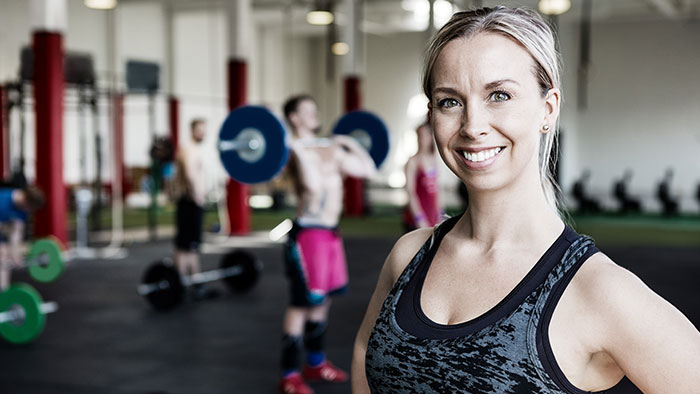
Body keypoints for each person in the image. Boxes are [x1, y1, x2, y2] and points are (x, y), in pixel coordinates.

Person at [352, 7, 700, 393]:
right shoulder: (408, 257)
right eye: (450, 101)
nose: (473, 126)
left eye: (499, 95)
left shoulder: (597, 290)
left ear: (547, 109)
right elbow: (365, 351)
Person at [278, 94, 377, 394]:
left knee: (323, 302)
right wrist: (307, 151)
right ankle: (289, 375)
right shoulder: (295, 149)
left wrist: (349, 143)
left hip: (331, 234)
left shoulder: (328, 148)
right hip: (308, 235)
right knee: (302, 304)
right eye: (307, 110)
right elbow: (311, 185)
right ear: (294, 118)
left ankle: (315, 363)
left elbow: (368, 170)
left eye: (314, 108)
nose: (314, 113)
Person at [172, 118, 217, 300]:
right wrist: (198, 196)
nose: (203, 133)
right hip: (190, 202)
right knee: (187, 246)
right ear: (192, 130)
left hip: (189, 202)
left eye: (204, 130)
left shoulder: (190, 149)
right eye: (200, 130)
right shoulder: (189, 150)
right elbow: (190, 175)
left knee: (189, 246)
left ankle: (191, 282)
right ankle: (183, 283)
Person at [0, 186, 44, 291]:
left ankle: (3, 294)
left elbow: (16, 234)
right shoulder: (3, 199)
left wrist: (16, 255)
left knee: (4, 257)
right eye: (28, 207)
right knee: (2, 252)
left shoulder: (23, 211)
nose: (28, 210)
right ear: (25, 198)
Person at [402, 122, 444, 232]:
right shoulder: (413, 162)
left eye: (424, 135)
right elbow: (410, 192)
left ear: (431, 137)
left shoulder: (434, 160)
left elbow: (437, 190)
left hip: (432, 216)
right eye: (419, 136)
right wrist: (419, 218)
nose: (422, 139)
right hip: (417, 216)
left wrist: (440, 214)